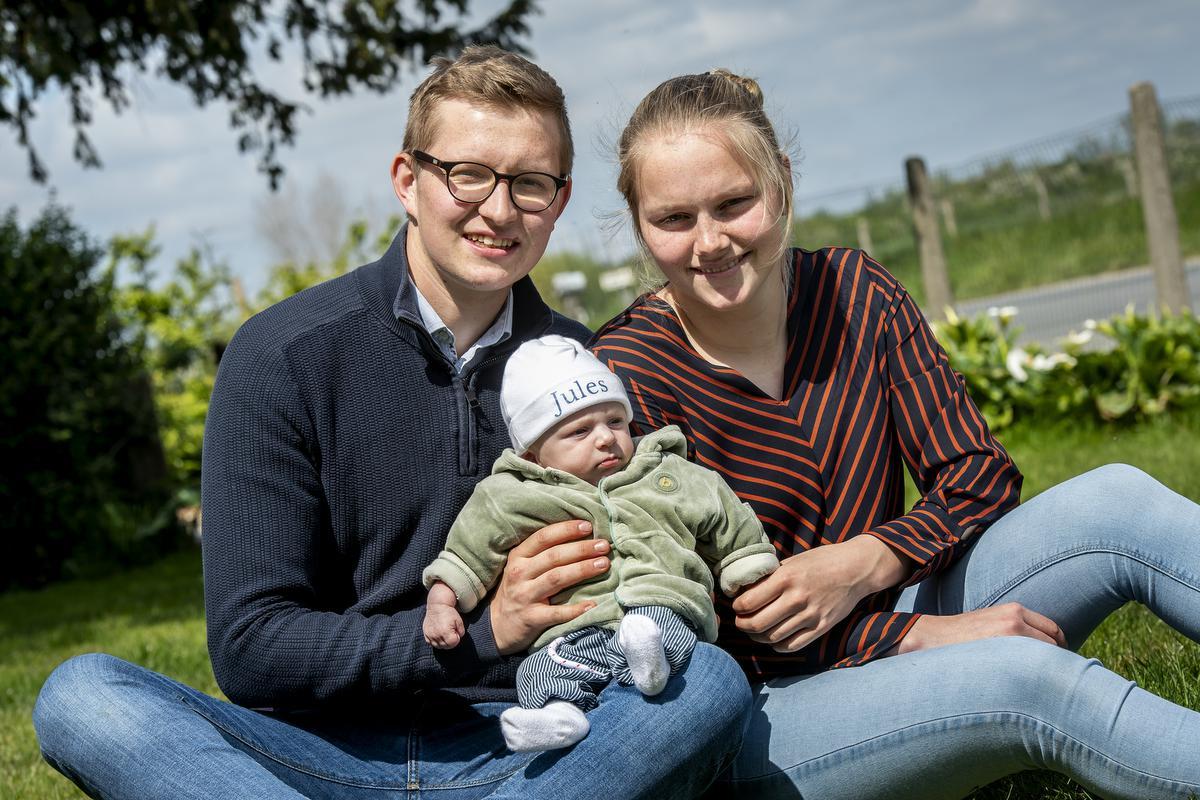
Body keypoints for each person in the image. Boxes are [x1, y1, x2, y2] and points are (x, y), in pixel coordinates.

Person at [31, 48, 751, 800]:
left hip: (538, 746)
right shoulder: (281, 354)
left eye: (529, 184)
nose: (499, 210)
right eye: (468, 175)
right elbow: (249, 647)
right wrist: (481, 637)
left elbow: (670, 555)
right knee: (84, 696)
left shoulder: (585, 366)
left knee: (706, 681)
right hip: (317, 752)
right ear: (408, 181)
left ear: (559, 201)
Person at [590, 68, 1200, 800]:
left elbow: (978, 474)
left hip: (890, 601)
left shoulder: (855, 290)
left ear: (779, 183)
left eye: (734, 203)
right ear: (637, 223)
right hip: (760, 711)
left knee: (1119, 501)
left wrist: (865, 562)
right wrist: (913, 638)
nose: (711, 241)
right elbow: (688, 628)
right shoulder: (622, 376)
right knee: (1027, 680)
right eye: (674, 219)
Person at [423, 334, 779, 752]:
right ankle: (559, 716)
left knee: (671, 634)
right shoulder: (510, 495)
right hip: (571, 632)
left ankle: (648, 659)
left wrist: (748, 569)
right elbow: (467, 552)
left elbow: (726, 516)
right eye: (579, 431)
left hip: (658, 602)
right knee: (537, 672)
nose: (606, 438)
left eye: (614, 421)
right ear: (534, 454)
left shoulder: (665, 473)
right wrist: (442, 602)